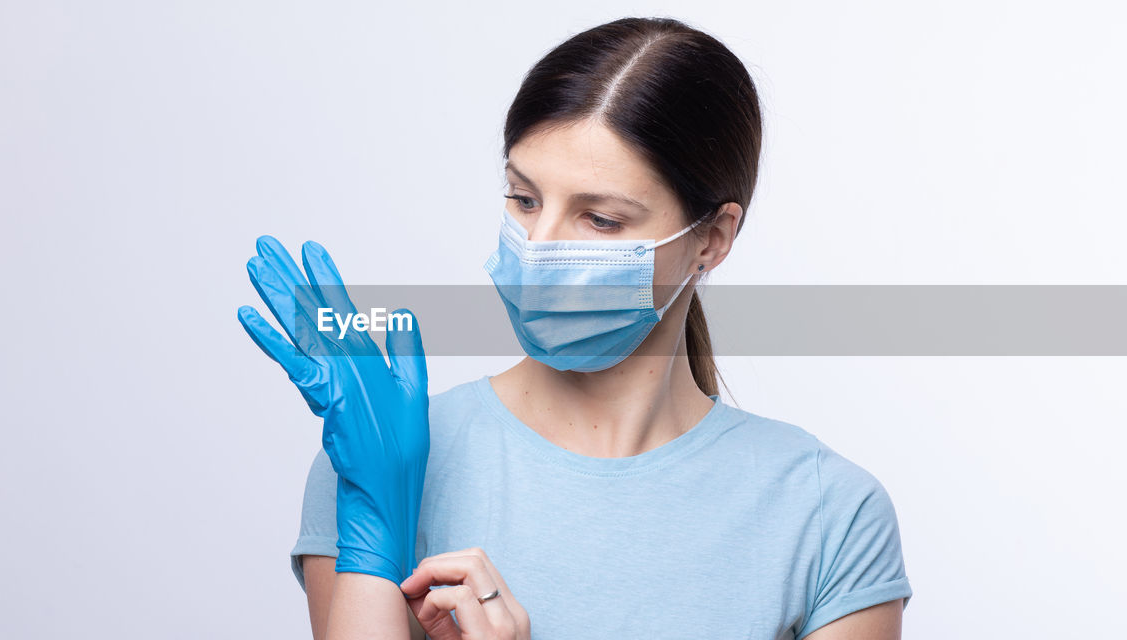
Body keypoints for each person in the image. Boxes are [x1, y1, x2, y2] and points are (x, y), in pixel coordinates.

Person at [240, 16, 912, 640]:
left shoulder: (829, 517)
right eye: (523, 199)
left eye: (601, 220)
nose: (539, 248)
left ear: (712, 238)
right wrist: (372, 516)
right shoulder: (375, 465)